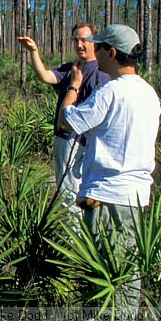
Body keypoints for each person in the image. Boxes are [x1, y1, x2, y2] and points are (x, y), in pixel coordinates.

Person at [57, 24, 161, 321]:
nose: (95, 52)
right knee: (127, 270)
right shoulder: (149, 93)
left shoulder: (111, 91)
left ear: (111, 53)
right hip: (136, 196)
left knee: (100, 270)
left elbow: (68, 120)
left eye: (99, 47)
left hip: (104, 196)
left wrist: (73, 88)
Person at [17, 24, 109, 204]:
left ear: (94, 42)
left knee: (72, 193)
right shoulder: (71, 68)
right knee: (65, 188)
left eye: (84, 40)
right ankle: (76, 229)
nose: (79, 45)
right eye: (76, 40)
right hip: (63, 138)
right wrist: (34, 51)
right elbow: (44, 76)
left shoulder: (101, 72)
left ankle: (74, 231)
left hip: (81, 140)